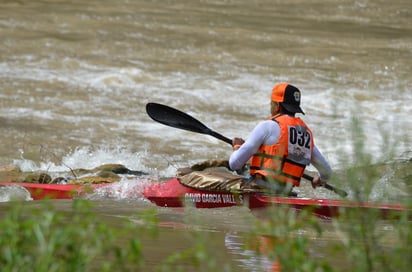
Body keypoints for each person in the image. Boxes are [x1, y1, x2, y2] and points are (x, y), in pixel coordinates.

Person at [229, 83, 333, 195]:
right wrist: (320, 180)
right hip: (285, 193)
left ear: (277, 106)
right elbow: (327, 172)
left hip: (258, 189)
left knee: (216, 175)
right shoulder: (305, 134)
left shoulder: (267, 126)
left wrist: (237, 147)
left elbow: (234, 164)